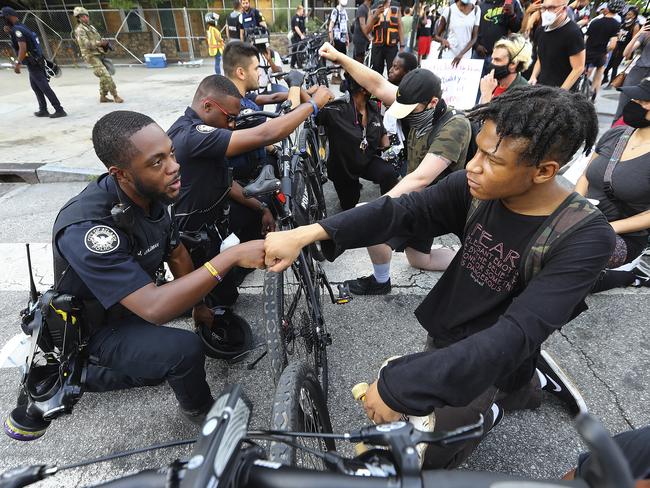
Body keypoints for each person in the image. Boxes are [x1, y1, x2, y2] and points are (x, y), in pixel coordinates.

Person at [264, 84, 616, 468]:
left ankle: (511, 394)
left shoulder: (585, 236)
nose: (473, 166)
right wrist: (308, 233)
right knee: (431, 399)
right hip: (454, 325)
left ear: (544, 171)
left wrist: (402, 384)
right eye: (477, 150)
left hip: (498, 349)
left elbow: (514, 335)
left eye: (492, 160)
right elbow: (402, 211)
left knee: (424, 454)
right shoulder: (476, 188)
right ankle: (521, 388)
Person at [50, 110, 265, 424]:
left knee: (218, 295)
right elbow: (155, 308)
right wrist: (230, 257)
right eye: (157, 161)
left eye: (172, 153)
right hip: (96, 328)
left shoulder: (149, 193)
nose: (174, 167)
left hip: (131, 300)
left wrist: (200, 307)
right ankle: (201, 411)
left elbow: (176, 254)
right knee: (183, 351)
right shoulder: (89, 229)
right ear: (120, 174)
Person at [167, 74, 333, 308]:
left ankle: (229, 268)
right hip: (194, 236)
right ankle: (188, 299)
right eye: (230, 118)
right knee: (224, 302)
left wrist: (262, 208)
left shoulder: (199, 131)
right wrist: (313, 105)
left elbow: (224, 182)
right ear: (207, 106)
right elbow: (265, 135)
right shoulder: (192, 135)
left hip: (216, 218)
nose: (232, 125)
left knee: (262, 213)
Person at [318, 43, 471, 294]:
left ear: (433, 102)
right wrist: (339, 57)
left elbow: (421, 178)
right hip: (422, 195)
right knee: (419, 259)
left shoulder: (455, 126)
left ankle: (380, 282)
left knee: (371, 220)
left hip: (440, 202)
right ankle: (472, 260)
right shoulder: (415, 104)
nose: (404, 115)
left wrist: (375, 209)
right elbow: (376, 84)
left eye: (410, 111)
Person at [575, 79, 650, 291]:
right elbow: (585, 176)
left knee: (569, 257)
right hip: (584, 219)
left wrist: (608, 228)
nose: (633, 103)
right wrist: (576, 209)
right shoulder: (615, 134)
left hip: (622, 235)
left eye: (643, 100)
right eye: (635, 97)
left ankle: (626, 276)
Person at [318, 73, 398, 210]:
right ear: (364, 89)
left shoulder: (372, 106)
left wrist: (385, 138)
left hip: (365, 159)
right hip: (344, 168)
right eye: (376, 86)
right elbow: (308, 110)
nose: (380, 89)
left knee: (388, 173)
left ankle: (390, 210)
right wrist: (303, 91)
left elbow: (382, 134)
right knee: (350, 207)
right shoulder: (337, 109)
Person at [2, 6, 66, 118]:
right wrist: (10, 31)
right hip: (36, 61)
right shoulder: (21, 27)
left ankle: (59, 109)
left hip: (33, 63)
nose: (3, 20)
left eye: (4, 18)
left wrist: (18, 63)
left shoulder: (17, 30)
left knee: (43, 86)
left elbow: (23, 48)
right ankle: (43, 109)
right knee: (35, 86)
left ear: (10, 17)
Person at [529, 0, 585, 90]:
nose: (547, 12)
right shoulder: (540, 30)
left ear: (564, 8)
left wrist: (560, 93)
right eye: (544, 8)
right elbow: (541, 57)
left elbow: (578, 68)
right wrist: (533, 76)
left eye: (552, 7)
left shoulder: (573, 33)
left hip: (564, 93)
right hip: (542, 88)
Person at [73, 6, 123, 104]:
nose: (85, 18)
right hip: (90, 55)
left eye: (86, 16)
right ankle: (115, 96)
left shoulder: (91, 27)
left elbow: (98, 38)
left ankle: (103, 96)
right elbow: (86, 44)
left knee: (102, 76)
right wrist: (100, 43)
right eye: (82, 17)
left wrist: (105, 44)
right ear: (78, 18)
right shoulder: (79, 30)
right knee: (106, 75)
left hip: (98, 53)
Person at [584, 0, 622, 101]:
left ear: (608, 8)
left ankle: (580, 87)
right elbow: (612, 45)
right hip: (601, 53)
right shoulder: (616, 24)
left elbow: (586, 39)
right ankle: (593, 96)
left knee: (584, 73)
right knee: (599, 74)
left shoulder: (595, 22)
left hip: (588, 51)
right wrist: (606, 51)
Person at [479, 34, 532, 103]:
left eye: (497, 60)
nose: (492, 63)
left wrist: (486, 97)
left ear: (513, 64)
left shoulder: (522, 95)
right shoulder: (493, 83)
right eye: (492, 59)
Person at [613, 23, 650, 121]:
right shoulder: (646, 35)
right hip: (638, 72)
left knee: (644, 113)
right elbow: (626, 53)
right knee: (622, 107)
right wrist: (638, 34)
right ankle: (614, 133)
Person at [434, 0, 481, 67]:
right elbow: (435, 36)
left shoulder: (476, 10)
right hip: (448, 55)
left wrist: (461, 54)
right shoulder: (449, 10)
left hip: (466, 57)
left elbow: (474, 37)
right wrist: (442, 40)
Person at [603, 7, 640, 85]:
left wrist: (629, 52)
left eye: (629, 14)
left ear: (634, 16)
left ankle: (611, 82)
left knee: (615, 66)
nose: (627, 15)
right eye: (627, 14)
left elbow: (634, 39)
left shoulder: (635, 26)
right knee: (608, 65)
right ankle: (605, 78)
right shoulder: (624, 23)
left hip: (624, 48)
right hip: (617, 46)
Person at [368, 0, 404, 74]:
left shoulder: (396, 6)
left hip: (392, 46)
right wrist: (369, 38)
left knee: (392, 71)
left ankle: (391, 85)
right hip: (377, 46)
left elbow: (400, 26)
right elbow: (368, 27)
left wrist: (402, 46)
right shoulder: (373, 7)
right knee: (376, 71)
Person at [329, 0, 350, 83]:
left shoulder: (344, 11)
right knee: (335, 59)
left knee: (342, 58)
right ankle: (335, 76)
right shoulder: (335, 11)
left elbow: (345, 26)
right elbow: (331, 26)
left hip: (343, 39)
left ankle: (340, 75)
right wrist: (331, 39)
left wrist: (347, 38)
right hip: (337, 38)